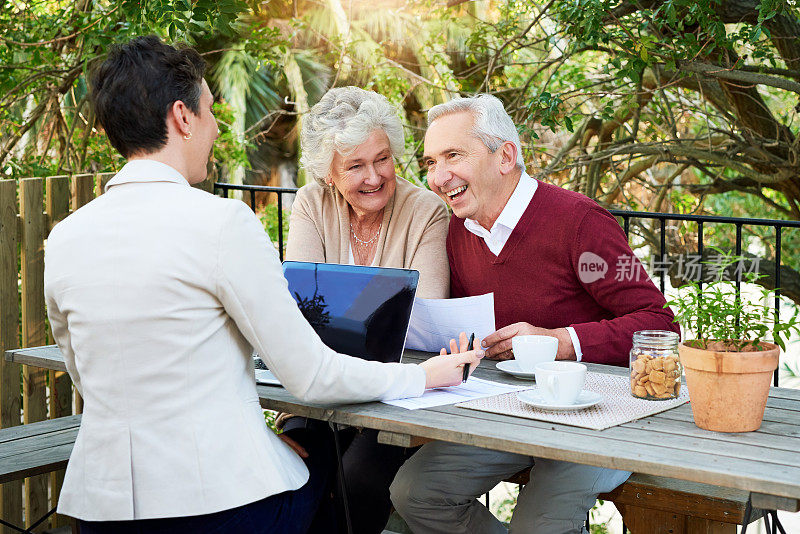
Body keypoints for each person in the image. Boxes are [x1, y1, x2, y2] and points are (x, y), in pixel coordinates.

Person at [43, 35, 482, 534]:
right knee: (334, 481)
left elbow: (86, 375)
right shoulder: (221, 223)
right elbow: (310, 376)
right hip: (219, 507)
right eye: (210, 110)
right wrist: (424, 377)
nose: (214, 126)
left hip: (100, 509)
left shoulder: (64, 238)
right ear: (183, 118)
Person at [389, 94, 680, 534]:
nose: (437, 176)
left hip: (597, 417)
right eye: (430, 162)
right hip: (509, 408)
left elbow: (659, 323)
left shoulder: (579, 221)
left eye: (453, 156)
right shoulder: (456, 231)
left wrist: (561, 341)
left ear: (505, 155)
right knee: (414, 493)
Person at [280, 86, 450, 534]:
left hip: (400, 391)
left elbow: (423, 318)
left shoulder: (426, 211)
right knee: (297, 466)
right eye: (355, 166)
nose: (374, 177)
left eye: (382, 159)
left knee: (358, 476)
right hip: (321, 385)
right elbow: (299, 305)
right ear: (328, 174)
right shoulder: (311, 203)